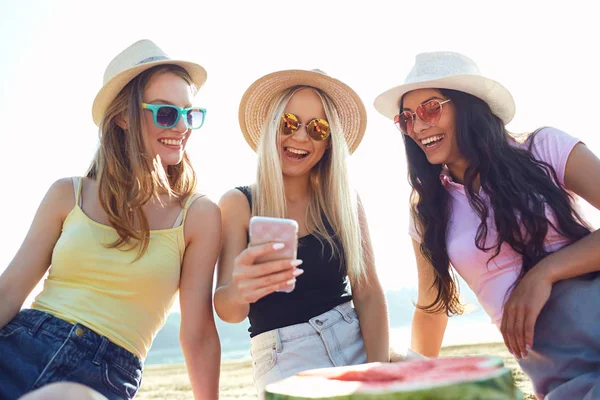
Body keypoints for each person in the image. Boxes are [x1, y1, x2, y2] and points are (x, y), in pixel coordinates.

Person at [0, 39, 221, 400]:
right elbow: (9, 292)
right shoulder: (66, 194)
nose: (182, 127)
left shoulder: (198, 216)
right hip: (19, 347)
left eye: (190, 114)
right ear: (123, 116)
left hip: (103, 378)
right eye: (166, 113)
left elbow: (196, 333)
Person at [374, 51, 600, 399]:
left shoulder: (544, 148)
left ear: (468, 106)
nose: (418, 127)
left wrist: (544, 274)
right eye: (406, 119)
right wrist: (411, 384)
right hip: (560, 373)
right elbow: (432, 308)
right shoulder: (429, 209)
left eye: (431, 109)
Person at [214, 69, 389, 397]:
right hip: (284, 356)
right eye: (288, 123)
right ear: (271, 128)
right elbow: (229, 311)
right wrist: (242, 285)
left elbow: (368, 293)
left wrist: (377, 376)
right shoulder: (238, 203)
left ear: (328, 142)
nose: (300, 137)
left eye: (317, 128)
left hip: (353, 338)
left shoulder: (344, 202)